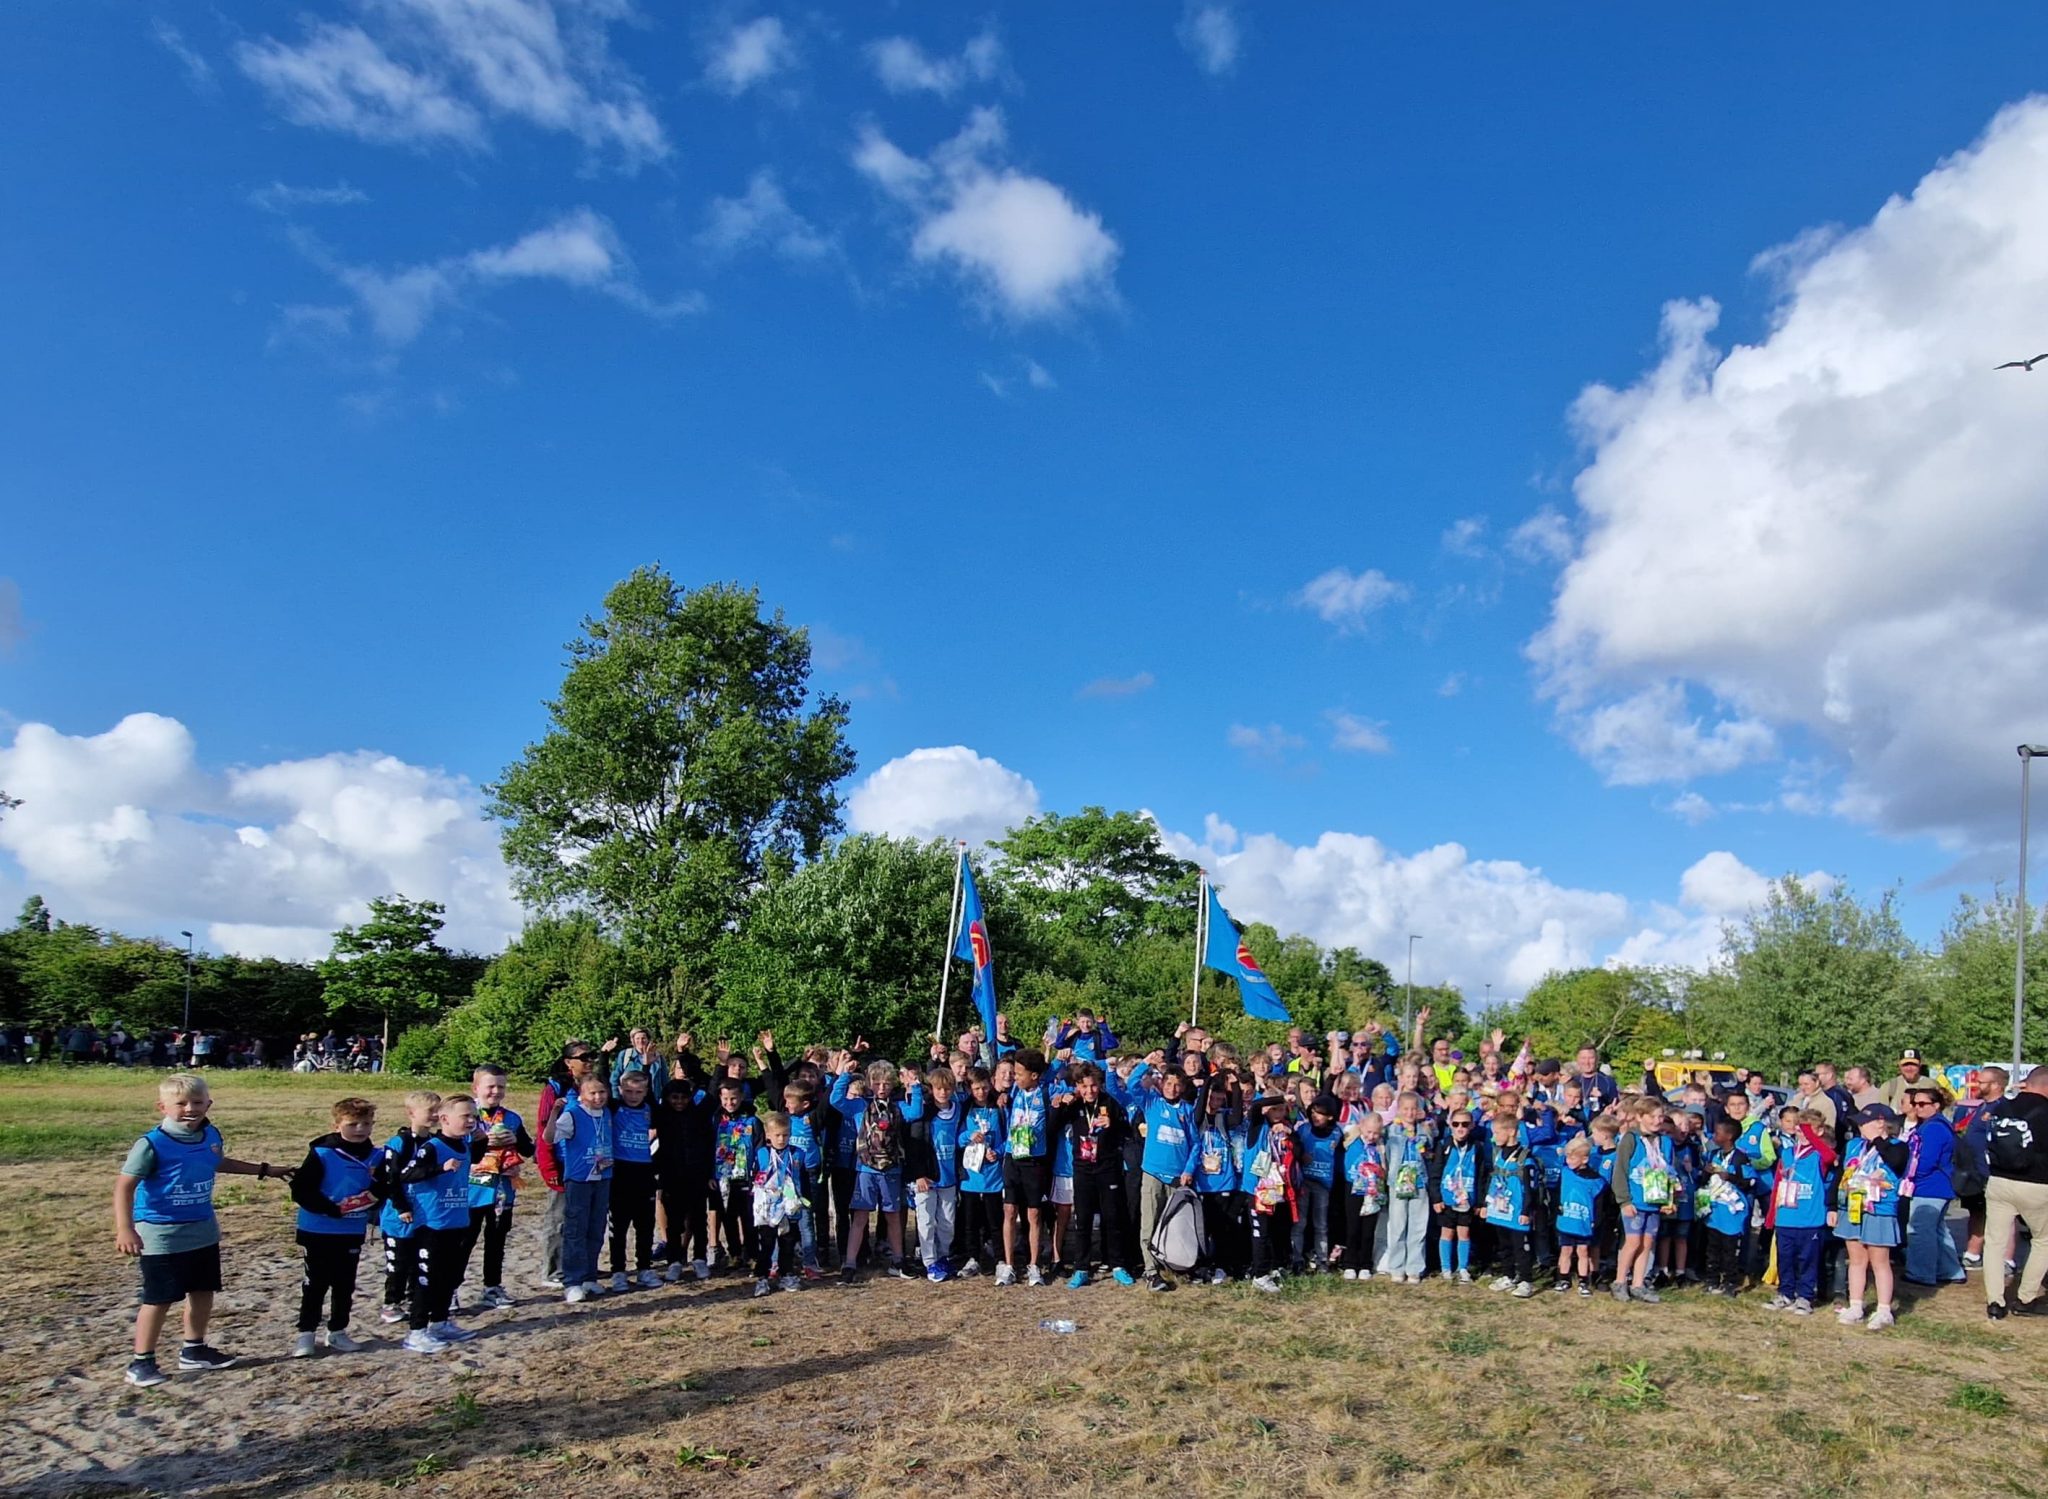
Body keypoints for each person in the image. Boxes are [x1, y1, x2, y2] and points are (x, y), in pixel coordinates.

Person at [113, 1074, 290, 1386]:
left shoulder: (210, 1134)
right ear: (162, 1107)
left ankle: (194, 1350)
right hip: (161, 1233)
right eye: (180, 1104)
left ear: (208, 1104)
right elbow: (124, 1186)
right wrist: (125, 1228)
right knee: (160, 1297)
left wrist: (264, 1170)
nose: (189, 1109)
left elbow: (217, 1162)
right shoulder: (152, 1144)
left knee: (203, 1291)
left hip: (203, 1229)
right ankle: (141, 1361)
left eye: (196, 1102)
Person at [286, 1096, 380, 1358]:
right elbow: (301, 1190)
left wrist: (376, 1194)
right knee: (314, 1284)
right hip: (317, 1229)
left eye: (366, 1123)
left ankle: (337, 1332)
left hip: (351, 1231)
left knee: (345, 1285)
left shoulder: (377, 1155)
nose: (360, 1129)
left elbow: (384, 1186)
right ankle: (305, 1335)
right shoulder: (322, 1153)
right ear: (337, 1124)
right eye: (353, 1124)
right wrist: (332, 1208)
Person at [395, 1092, 483, 1353]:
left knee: (449, 1277)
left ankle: (440, 1322)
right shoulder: (432, 1147)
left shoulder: (464, 1145)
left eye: (474, 1116)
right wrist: (439, 1168)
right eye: (465, 1116)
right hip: (431, 1225)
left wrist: (483, 1140)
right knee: (427, 1279)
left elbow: (474, 1161)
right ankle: (416, 1332)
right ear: (444, 1119)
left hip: (457, 1221)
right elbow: (406, 1174)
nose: (471, 1121)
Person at [1052, 1062, 1138, 1287]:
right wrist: (1059, 1105)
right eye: (1084, 1086)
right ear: (1078, 1086)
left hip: (1108, 1168)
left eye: (1093, 1086)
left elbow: (1127, 1132)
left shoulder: (1110, 1102)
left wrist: (1114, 1124)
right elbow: (1053, 1126)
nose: (1090, 1091)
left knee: (1112, 1218)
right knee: (1083, 1220)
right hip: (1082, 1169)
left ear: (1099, 1084)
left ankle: (1118, 1265)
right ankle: (1081, 1268)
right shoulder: (1075, 1104)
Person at [463, 1065, 533, 1311]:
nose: (495, 1091)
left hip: (502, 1191)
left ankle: (492, 1287)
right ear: (476, 1088)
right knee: (464, 1242)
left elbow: (528, 1149)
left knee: (496, 1241)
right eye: (490, 1086)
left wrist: (516, 1141)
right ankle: (450, 1289)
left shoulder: (511, 1118)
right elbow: (451, 1149)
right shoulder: (465, 1116)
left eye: (500, 1087)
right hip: (471, 1192)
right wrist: (480, 1142)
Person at [1983, 1065, 2048, 1319]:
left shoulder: (2002, 1107)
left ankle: (1995, 1302)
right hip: (2038, 1184)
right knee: (2043, 1240)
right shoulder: (2045, 1112)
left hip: (1999, 1181)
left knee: (1995, 1243)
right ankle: (2025, 1298)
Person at [532, 1040, 598, 1289]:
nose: (589, 1061)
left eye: (591, 1056)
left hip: (588, 1164)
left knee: (584, 1218)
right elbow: (543, 1128)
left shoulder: (593, 1086)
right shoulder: (556, 1088)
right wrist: (548, 1168)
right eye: (583, 1057)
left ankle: (578, 1266)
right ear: (569, 1062)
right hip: (562, 1163)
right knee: (560, 1218)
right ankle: (553, 1270)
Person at [1834, 1104, 1907, 1330]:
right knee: (1856, 1258)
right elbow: (1841, 1173)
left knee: (1879, 1260)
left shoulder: (1898, 1146)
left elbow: (1896, 1162)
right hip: (1853, 1206)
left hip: (1880, 1208)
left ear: (1880, 1122)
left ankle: (1884, 1309)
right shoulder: (1855, 1145)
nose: (1859, 1127)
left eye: (1864, 1122)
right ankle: (1856, 1304)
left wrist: (1878, 1140)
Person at [547, 1073, 615, 1305]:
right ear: (581, 1095)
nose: (598, 1097)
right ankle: (573, 1281)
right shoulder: (573, 1114)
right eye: (592, 1093)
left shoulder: (606, 1113)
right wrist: (554, 1113)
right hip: (579, 1179)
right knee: (576, 1228)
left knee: (596, 1227)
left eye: (602, 1092)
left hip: (603, 1175)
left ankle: (589, 1275)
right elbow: (549, 1138)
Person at [375, 1091, 440, 1324]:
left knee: (418, 1261)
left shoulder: (434, 1142)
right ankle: (391, 1303)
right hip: (398, 1216)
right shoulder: (399, 1143)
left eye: (437, 1111)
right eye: (430, 1111)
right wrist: (401, 1207)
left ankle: (415, 1300)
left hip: (424, 1213)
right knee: (398, 1262)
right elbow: (391, 1179)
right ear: (411, 1113)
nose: (435, 1115)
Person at [1765, 1107, 1837, 1316]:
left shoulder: (1818, 1155)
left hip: (1810, 1219)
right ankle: (1786, 1292)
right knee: (1785, 1258)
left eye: (1808, 1130)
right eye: (1799, 1130)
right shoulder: (1787, 1153)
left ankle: (1805, 1296)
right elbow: (1778, 1184)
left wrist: (1812, 1134)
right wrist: (1772, 1216)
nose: (1803, 1134)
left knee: (1808, 1259)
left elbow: (1829, 1155)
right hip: (1786, 1216)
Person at [997, 1048, 1055, 1287]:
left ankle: (1033, 1265)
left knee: (1034, 1213)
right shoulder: (1013, 1090)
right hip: (1013, 1156)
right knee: (1009, 1211)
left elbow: (1053, 1071)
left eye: (1019, 1073)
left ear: (1034, 1076)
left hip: (1034, 1160)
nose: (1014, 1077)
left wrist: (1065, 1098)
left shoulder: (1045, 1090)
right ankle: (1009, 1266)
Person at [1901, 1085, 1967, 1288]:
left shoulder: (1935, 1128)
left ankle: (1921, 1273)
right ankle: (1951, 1270)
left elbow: (1925, 1161)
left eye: (1922, 1104)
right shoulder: (1931, 1125)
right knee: (1937, 1230)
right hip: (1935, 1186)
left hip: (1930, 1187)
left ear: (1936, 1106)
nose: (1917, 1108)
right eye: (1915, 1103)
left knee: (1920, 1229)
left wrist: (1910, 1178)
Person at [1611, 1098, 1675, 1304]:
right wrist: (1624, 1200)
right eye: (1652, 1117)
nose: (1657, 1121)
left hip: (1655, 1201)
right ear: (1640, 1117)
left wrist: (1670, 1199)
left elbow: (1670, 1172)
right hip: (1634, 1201)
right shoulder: (1630, 1139)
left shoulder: (1665, 1141)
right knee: (1632, 1241)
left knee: (1647, 1243)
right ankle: (1620, 1281)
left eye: (1660, 1117)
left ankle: (1638, 1284)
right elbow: (1620, 1171)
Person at [905, 1064, 963, 1281]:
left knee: (947, 1221)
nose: (942, 1092)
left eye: (947, 1088)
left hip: (949, 1177)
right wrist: (919, 1174)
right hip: (927, 1177)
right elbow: (915, 1144)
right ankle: (929, 1262)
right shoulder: (924, 1113)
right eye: (938, 1088)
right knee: (927, 1221)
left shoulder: (957, 1109)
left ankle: (943, 1256)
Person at [607, 1070, 660, 1290]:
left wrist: (647, 1067)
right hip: (619, 1173)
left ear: (646, 1092)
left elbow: (654, 1094)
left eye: (639, 1091)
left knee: (645, 1226)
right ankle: (618, 1271)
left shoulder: (651, 1110)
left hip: (644, 1174)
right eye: (628, 1091)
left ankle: (644, 1269)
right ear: (620, 1090)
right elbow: (602, 1079)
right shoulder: (615, 1108)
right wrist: (603, 1056)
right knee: (618, 1227)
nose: (633, 1095)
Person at [1242, 1089, 1298, 1292]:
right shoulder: (1257, 1125)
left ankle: (1270, 1268)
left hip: (1275, 1189)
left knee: (1275, 1232)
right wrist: (1283, 1097)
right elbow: (1256, 1106)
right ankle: (1259, 1275)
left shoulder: (1284, 1128)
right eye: (1274, 1108)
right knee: (1261, 1233)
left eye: (1282, 1109)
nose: (1278, 1112)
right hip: (1256, 1190)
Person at [750, 1111, 810, 1297]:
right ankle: (762, 1277)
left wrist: (805, 1198)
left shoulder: (797, 1153)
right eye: (777, 1135)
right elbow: (754, 1177)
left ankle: (787, 1274)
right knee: (767, 1243)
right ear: (768, 1135)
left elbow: (804, 1178)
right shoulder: (762, 1154)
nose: (781, 1139)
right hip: (768, 1208)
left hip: (790, 1206)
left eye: (785, 1135)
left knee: (788, 1242)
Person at [1377, 1091, 1433, 1283]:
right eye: (1405, 1109)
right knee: (1398, 1225)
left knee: (1418, 1225)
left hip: (1419, 1182)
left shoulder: (1425, 1130)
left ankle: (1415, 1267)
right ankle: (1397, 1267)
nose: (1409, 1113)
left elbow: (1430, 1152)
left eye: (1413, 1109)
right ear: (1398, 1110)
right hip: (1397, 1182)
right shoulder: (1390, 1130)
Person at [956, 1066, 1006, 1276]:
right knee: (971, 1221)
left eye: (984, 1088)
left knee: (995, 1221)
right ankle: (972, 1258)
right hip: (970, 1176)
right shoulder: (964, 1108)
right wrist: (969, 1135)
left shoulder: (999, 1107)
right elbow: (957, 1139)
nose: (981, 1092)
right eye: (976, 1088)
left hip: (993, 1176)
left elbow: (1008, 1139)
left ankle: (1001, 1258)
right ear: (970, 1088)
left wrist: (998, 1152)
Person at [1698, 1115, 1754, 1297]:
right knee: (1713, 1247)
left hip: (1732, 1213)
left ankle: (1730, 1283)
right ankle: (1712, 1280)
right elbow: (1705, 1180)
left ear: (1729, 1136)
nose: (1714, 1135)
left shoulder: (1740, 1158)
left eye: (1718, 1133)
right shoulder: (1715, 1154)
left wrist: (1730, 1177)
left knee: (1730, 1249)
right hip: (1715, 1211)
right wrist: (1705, 1173)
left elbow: (1750, 1182)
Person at [1483, 1107, 1536, 1297]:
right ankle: (1508, 1275)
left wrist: (1525, 1211)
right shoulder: (1498, 1154)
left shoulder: (1524, 1157)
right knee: (1504, 1245)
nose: (1493, 1137)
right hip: (1499, 1209)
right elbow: (1493, 1180)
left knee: (1520, 1246)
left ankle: (1526, 1280)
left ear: (1511, 1131)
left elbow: (1530, 1188)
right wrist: (1485, 1205)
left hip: (1517, 1210)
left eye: (1497, 1132)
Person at [1430, 1106, 1485, 1285]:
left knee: (1464, 1233)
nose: (1460, 1128)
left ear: (1472, 1126)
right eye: (1456, 1124)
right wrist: (1436, 1198)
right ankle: (1446, 1268)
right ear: (1450, 1125)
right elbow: (1436, 1173)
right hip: (1447, 1198)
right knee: (1446, 1232)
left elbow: (1482, 1175)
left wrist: (1480, 1202)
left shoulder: (1477, 1147)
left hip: (1467, 1199)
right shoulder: (1443, 1145)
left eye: (1465, 1124)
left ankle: (1462, 1267)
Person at [1554, 1134, 1603, 1297]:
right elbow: (1557, 1193)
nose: (1569, 1160)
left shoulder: (1597, 1181)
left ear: (1584, 1159)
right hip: (1566, 1219)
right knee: (1566, 1250)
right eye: (1567, 1156)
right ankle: (1563, 1278)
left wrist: (1596, 1221)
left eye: (1573, 1157)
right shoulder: (1566, 1173)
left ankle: (1583, 1281)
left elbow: (1599, 1204)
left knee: (1583, 1251)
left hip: (1584, 1222)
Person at [1340, 1107, 1385, 1283]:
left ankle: (1365, 1264)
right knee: (1353, 1228)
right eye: (1368, 1131)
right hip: (1353, 1189)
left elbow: (1385, 1166)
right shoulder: (1352, 1139)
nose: (1371, 1136)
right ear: (1361, 1127)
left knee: (1368, 1229)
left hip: (1372, 1191)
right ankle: (1350, 1263)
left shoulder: (1380, 1146)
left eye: (1376, 1133)